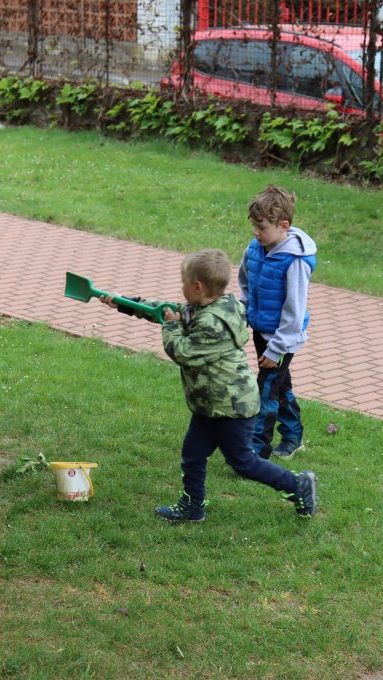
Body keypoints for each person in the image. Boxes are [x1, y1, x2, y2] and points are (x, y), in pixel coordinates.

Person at [103, 249, 317, 522]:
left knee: (243, 462)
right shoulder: (209, 307)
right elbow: (166, 310)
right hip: (210, 403)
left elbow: (183, 352)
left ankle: (298, 485)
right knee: (193, 454)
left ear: (197, 286)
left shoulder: (211, 323)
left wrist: (171, 326)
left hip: (231, 407)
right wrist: (124, 303)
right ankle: (193, 506)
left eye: (183, 283)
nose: (181, 288)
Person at [238, 184, 317, 460]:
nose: (256, 232)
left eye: (262, 227)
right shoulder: (256, 248)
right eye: (254, 226)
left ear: (283, 226)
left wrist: (276, 349)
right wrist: (243, 311)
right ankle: (293, 436)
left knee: (266, 389)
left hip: (283, 339)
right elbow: (247, 283)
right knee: (280, 386)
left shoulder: (294, 261)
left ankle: (256, 449)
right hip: (261, 330)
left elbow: (295, 310)